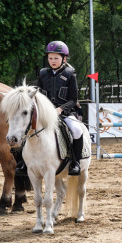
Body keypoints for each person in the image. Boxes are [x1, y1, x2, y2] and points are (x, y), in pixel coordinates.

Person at [37, 41, 84, 175]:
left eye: (56, 58)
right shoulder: (42, 73)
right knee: (27, 128)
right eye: (50, 58)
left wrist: (60, 109)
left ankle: (75, 162)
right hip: (44, 112)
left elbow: (73, 99)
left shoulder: (70, 74)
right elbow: (39, 93)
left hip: (64, 112)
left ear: (64, 59)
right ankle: (22, 163)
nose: (52, 61)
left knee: (76, 130)